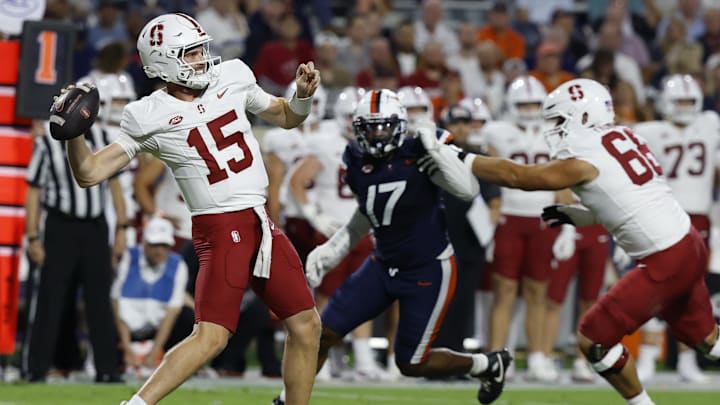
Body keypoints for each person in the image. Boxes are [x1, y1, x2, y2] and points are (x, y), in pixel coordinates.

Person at [55, 13, 322, 405]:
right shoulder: (147, 114)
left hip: (261, 222)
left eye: (200, 50)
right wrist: (73, 134)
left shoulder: (232, 75)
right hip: (221, 227)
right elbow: (90, 172)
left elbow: (286, 117)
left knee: (306, 325)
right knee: (211, 335)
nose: (201, 59)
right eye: (191, 53)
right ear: (163, 62)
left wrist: (302, 95)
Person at [457, 78, 720, 405]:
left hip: (664, 258)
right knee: (710, 342)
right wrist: (585, 216)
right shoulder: (625, 136)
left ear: (583, 116)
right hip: (688, 242)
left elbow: (519, 177)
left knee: (593, 339)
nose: (552, 128)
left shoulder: (584, 158)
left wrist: (462, 158)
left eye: (558, 119)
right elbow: (628, 196)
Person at [273, 89, 511, 405]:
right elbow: (370, 211)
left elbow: (467, 191)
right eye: (370, 127)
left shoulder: (420, 150)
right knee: (324, 333)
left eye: (384, 126)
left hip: (428, 268)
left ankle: (486, 364)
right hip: (383, 263)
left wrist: (436, 151)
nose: (378, 134)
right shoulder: (355, 160)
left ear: (400, 125)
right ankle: (287, 400)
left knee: (410, 362)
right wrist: (335, 248)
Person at [288, 86, 384, 380]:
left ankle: (364, 360)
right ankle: (321, 360)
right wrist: (316, 216)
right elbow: (298, 182)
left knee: (364, 296)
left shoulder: (376, 144)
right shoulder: (326, 143)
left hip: (364, 231)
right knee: (325, 297)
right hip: (334, 233)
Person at [480, 75, 572, 382]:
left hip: (542, 218)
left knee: (538, 291)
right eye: (524, 104)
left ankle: (536, 356)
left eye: (535, 104)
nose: (530, 110)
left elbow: (562, 180)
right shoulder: (497, 131)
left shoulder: (556, 132)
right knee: (503, 292)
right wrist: (489, 223)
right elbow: (489, 178)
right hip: (509, 217)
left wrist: (569, 226)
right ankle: (496, 358)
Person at [23, 118, 126, 383]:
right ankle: (36, 369)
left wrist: (122, 228)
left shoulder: (103, 136)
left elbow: (114, 185)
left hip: (95, 226)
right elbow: (34, 189)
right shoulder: (47, 141)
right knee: (51, 299)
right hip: (61, 226)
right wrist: (33, 236)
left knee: (99, 301)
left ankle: (107, 370)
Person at [632, 73, 719, 383]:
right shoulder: (650, 132)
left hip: (699, 217)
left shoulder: (709, 125)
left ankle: (686, 359)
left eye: (688, 100)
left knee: (693, 291)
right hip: (662, 214)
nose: (684, 106)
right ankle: (647, 357)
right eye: (678, 100)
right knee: (655, 287)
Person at [112, 217, 194, 377]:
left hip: (157, 328)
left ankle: (175, 364)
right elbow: (116, 304)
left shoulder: (178, 265)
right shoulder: (129, 258)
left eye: (164, 246)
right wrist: (127, 348)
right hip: (127, 328)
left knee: (187, 316)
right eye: (155, 245)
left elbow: (172, 312)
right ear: (145, 243)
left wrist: (155, 351)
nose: (159, 251)